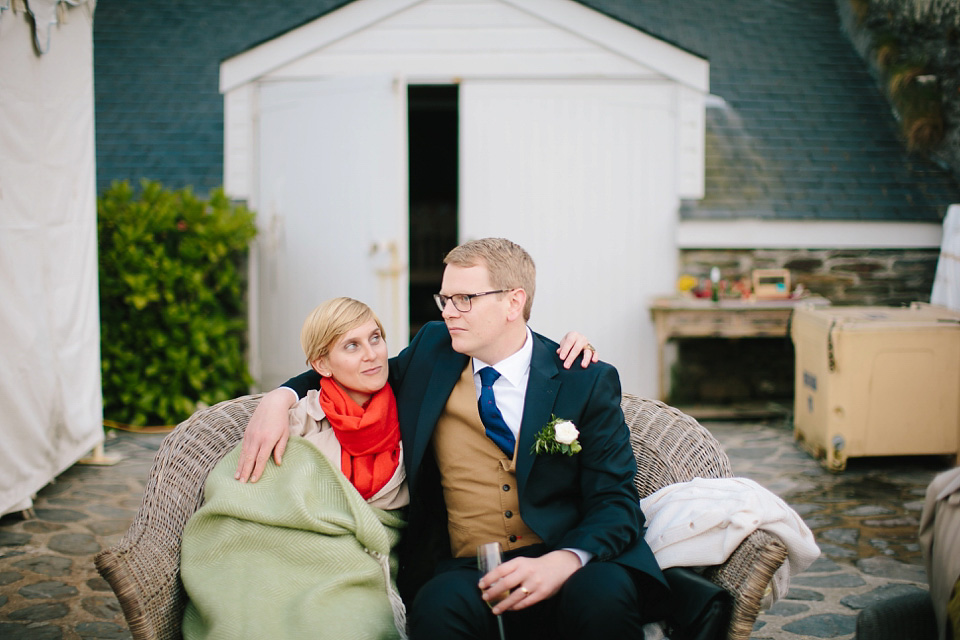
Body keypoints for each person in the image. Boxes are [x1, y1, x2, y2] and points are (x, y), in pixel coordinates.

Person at [237, 238, 666, 639]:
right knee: (436, 610)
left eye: (465, 299)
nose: (448, 312)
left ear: (513, 302)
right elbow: (356, 367)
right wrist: (281, 397)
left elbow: (616, 501)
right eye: (445, 298)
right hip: (469, 567)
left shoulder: (582, 380)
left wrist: (564, 561)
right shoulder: (433, 352)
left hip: (570, 560)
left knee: (604, 597)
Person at [181, 298, 409, 639]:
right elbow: (241, 491)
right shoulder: (298, 420)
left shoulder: (411, 407)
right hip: (294, 554)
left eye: (375, 338)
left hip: (367, 557)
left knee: (352, 623)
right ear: (322, 363)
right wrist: (279, 397)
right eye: (352, 345)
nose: (372, 354)